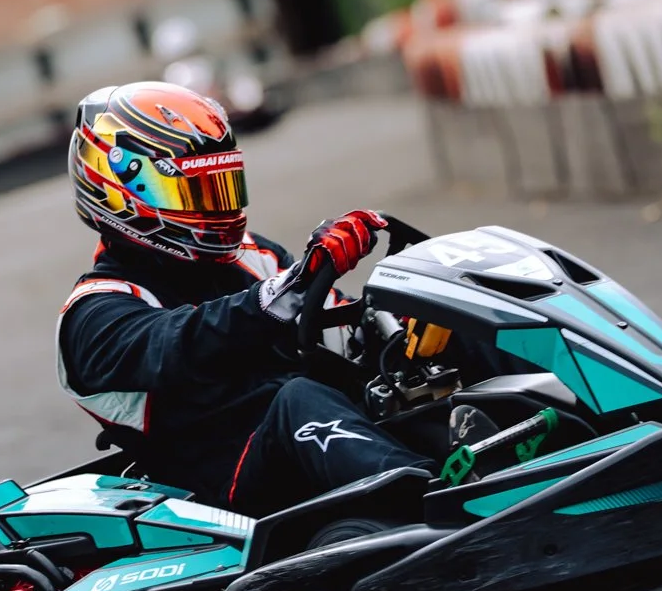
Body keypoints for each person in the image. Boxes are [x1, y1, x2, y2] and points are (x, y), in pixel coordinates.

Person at [56, 80, 443, 516]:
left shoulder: (252, 258)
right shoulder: (93, 314)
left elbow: (341, 326)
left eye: (218, 187)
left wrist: (402, 321)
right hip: (224, 499)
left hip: (324, 445)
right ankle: (434, 503)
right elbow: (186, 340)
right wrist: (288, 291)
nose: (213, 207)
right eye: (193, 191)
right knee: (297, 398)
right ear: (121, 190)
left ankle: (515, 426)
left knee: (440, 317)